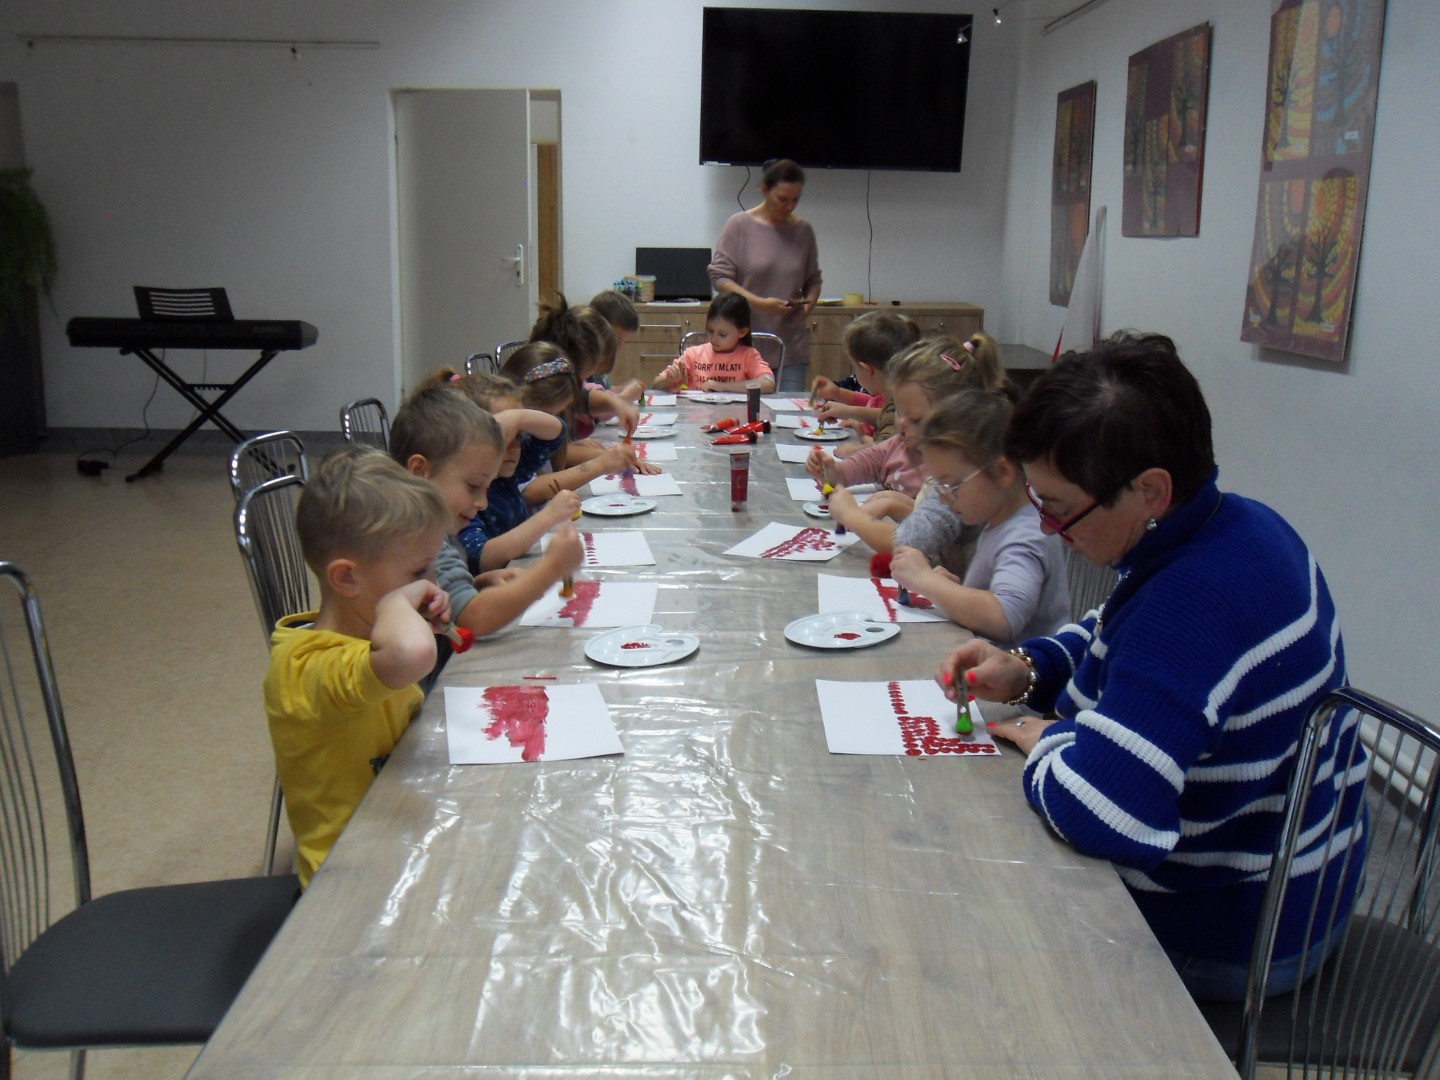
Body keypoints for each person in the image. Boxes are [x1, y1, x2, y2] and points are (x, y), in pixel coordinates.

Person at [936, 332, 1367, 1002]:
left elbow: (1103, 814)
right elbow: (1117, 629)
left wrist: (1050, 737)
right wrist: (1029, 668)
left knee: (963, 932)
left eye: (1060, 509)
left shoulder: (1194, 601)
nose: (1049, 529)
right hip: (1303, 885)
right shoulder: (1236, 526)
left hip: (1230, 933)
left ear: (1150, 491)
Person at [265, 444, 453, 888]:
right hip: (348, 878)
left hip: (399, 830)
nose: (431, 585)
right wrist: (400, 608)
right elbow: (414, 655)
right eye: (418, 573)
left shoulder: (372, 639)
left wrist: (402, 607)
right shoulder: (305, 667)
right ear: (347, 578)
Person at [390, 382, 584, 641]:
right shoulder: (416, 536)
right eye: (473, 486)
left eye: (486, 488)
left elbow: (437, 600)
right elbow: (474, 619)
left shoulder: (433, 525)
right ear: (420, 472)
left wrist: (477, 583)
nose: (482, 502)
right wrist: (553, 567)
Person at [889, 389, 1069, 647]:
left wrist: (925, 581)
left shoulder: (1026, 534)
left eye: (951, 485)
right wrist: (953, 592)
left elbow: (1004, 617)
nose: (943, 499)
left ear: (1002, 471)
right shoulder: (1001, 519)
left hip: (1024, 671)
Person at [806, 335, 1009, 556]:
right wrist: (835, 472)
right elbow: (872, 460)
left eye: (916, 420)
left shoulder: (955, 477)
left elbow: (908, 540)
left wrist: (850, 515)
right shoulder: (904, 443)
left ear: (957, 418)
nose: (902, 423)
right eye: (899, 412)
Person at [708, 158, 822, 392]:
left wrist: (805, 310)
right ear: (765, 190)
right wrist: (761, 303)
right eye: (783, 199)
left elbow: (813, 280)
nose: (789, 206)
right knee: (739, 409)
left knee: (787, 409)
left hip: (790, 347)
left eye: (795, 200)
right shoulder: (739, 225)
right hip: (741, 344)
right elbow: (719, 277)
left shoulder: (804, 231)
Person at [809, 310, 920, 457]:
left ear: (867, 370)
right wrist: (839, 397)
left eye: (854, 367)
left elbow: (888, 450)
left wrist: (853, 452)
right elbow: (878, 410)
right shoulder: (899, 394)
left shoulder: (901, 406)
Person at [651, 293, 775, 392]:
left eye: (722, 334)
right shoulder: (693, 355)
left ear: (742, 332)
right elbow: (656, 385)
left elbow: (768, 383)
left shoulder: (748, 355)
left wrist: (722, 386)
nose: (713, 339)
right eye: (710, 331)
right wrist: (668, 380)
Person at [588, 289, 645, 402]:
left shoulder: (600, 361)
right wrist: (625, 397)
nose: (618, 348)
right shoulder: (585, 363)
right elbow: (589, 403)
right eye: (617, 341)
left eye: (623, 342)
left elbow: (602, 391)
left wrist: (621, 389)